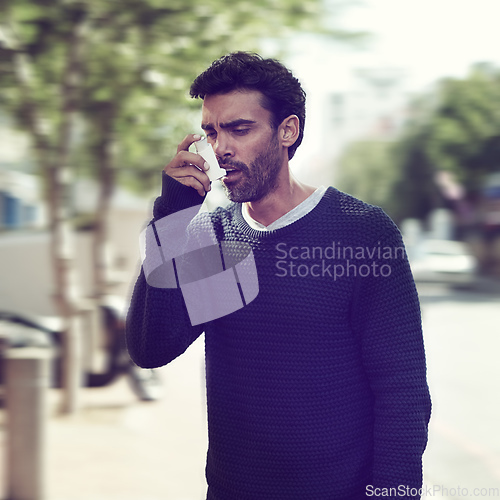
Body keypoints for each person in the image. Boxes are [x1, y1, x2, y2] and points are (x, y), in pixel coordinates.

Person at [126, 52, 432, 500]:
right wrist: (171, 217)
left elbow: (402, 393)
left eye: (240, 128)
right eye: (211, 131)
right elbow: (151, 348)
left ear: (287, 131)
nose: (220, 147)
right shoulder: (216, 238)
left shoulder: (359, 231)